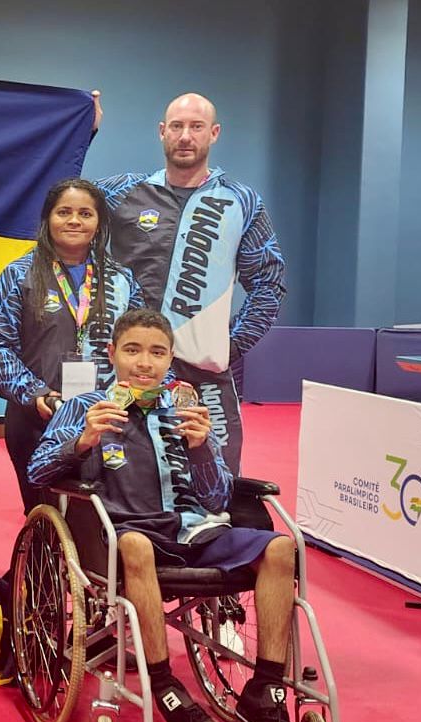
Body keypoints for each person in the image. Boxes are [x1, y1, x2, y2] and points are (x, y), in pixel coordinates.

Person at [29, 308, 306, 722]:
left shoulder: (184, 409)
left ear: (170, 358)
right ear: (112, 354)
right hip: (126, 537)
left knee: (280, 548)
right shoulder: (85, 408)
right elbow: (38, 472)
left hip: (196, 533)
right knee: (136, 545)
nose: (144, 362)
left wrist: (201, 449)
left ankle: (265, 690)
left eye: (157, 352)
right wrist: (82, 442)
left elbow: (217, 498)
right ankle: (166, 686)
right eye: (133, 350)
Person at [95, 93, 286, 475]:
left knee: (214, 474)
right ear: (162, 132)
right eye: (177, 126)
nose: (185, 136)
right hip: (128, 366)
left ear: (214, 133)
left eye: (196, 127)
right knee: (121, 475)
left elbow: (269, 282)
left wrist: (232, 345)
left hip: (203, 375)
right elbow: (63, 201)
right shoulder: (122, 192)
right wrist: (85, 132)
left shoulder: (241, 201)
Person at [0, 177, 142, 514]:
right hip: (38, 415)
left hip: (105, 415)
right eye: (64, 212)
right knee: (44, 513)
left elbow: (139, 342)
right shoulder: (18, 274)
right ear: (47, 218)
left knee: (102, 513)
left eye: (85, 214)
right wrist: (35, 393)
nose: (74, 221)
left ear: (99, 223)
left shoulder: (121, 279)